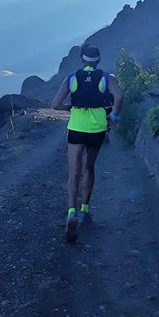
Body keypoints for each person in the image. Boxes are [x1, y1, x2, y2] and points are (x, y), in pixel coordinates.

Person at [50, 44, 123, 243]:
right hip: (97, 129)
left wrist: (69, 109)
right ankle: (85, 211)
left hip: (76, 127)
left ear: (82, 60)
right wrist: (114, 117)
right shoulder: (108, 78)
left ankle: (71, 212)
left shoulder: (72, 78)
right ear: (98, 61)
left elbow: (55, 104)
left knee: (74, 172)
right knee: (89, 168)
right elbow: (119, 96)